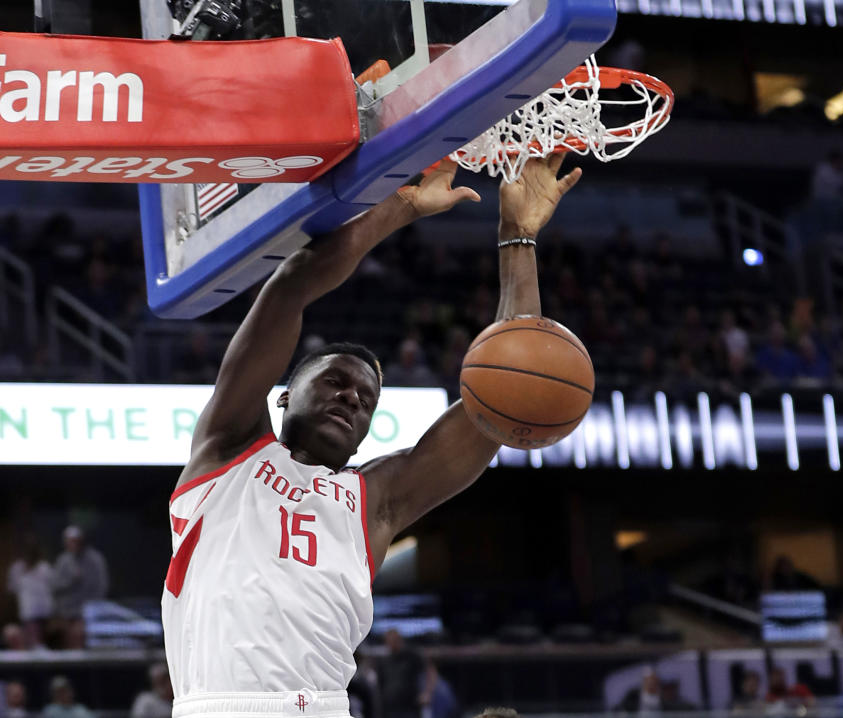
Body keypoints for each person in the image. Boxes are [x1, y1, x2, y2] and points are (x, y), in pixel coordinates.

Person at [161, 157, 581, 718]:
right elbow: (289, 287)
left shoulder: (375, 501)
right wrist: (400, 205)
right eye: (335, 381)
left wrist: (518, 238)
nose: (351, 398)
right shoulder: (229, 449)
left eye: (366, 399)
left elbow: (506, 395)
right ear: (284, 396)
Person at [51, 526, 109, 649]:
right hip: (66, 613)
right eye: (69, 541)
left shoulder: (95, 560)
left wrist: (94, 608)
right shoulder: (63, 560)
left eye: (75, 541)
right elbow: (55, 586)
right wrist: (70, 581)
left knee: (79, 635)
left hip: (87, 612)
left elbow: (101, 586)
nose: (72, 544)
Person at [6, 537, 54, 649]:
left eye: (31, 550)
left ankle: (39, 646)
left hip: (44, 612)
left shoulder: (45, 568)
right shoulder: (16, 569)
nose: (29, 554)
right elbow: (12, 591)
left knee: (37, 634)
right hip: (26, 612)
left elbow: (53, 590)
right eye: (26, 551)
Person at [379, 630, 427, 718]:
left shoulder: (412, 656)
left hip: (409, 707)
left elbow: (430, 671)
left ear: (399, 640)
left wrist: (427, 693)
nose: (390, 644)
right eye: (388, 641)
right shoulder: (384, 661)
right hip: (390, 708)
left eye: (392, 641)